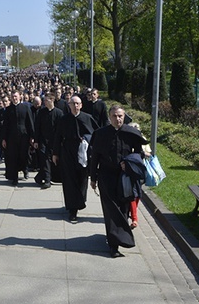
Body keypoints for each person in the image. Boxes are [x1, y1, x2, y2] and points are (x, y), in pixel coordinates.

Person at [89, 105, 147, 257]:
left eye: (120, 116)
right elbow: (95, 157)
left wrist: (128, 163)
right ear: (109, 117)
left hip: (124, 177)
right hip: (106, 176)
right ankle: (114, 245)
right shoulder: (100, 134)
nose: (118, 118)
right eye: (114, 116)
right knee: (110, 209)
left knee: (123, 208)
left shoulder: (131, 133)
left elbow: (140, 154)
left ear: (124, 116)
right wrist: (93, 177)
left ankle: (119, 236)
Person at [53, 94, 98, 222]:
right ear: (69, 105)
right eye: (73, 103)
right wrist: (55, 153)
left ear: (81, 105)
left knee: (82, 178)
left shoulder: (87, 118)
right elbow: (58, 136)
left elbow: (96, 135)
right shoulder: (64, 119)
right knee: (69, 179)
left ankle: (80, 200)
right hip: (67, 152)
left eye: (78, 103)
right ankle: (72, 209)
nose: (76, 106)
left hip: (83, 153)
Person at [1, 90, 34, 186]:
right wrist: (3, 138)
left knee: (24, 155)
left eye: (16, 96)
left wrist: (32, 136)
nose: (14, 98)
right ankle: (14, 178)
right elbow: (5, 125)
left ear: (20, 96)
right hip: (11, 137)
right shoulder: (8, 109)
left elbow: (30, 123)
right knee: (13, 157)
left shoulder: (26, 108)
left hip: (24, 136)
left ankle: (25, 169)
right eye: (13, 97)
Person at [33, 93, 63, 189]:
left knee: (51, 160)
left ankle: (40, 176)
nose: (44, 102)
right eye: (44, 100)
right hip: (43, 141)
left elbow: (60, 129)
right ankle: (47, 180)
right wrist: (36, 140)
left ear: (52, 100)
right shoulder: (41, 112)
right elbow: (37, 127)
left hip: (54, 141)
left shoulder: (59, 113)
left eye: (47, 100)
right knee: (45, 159)